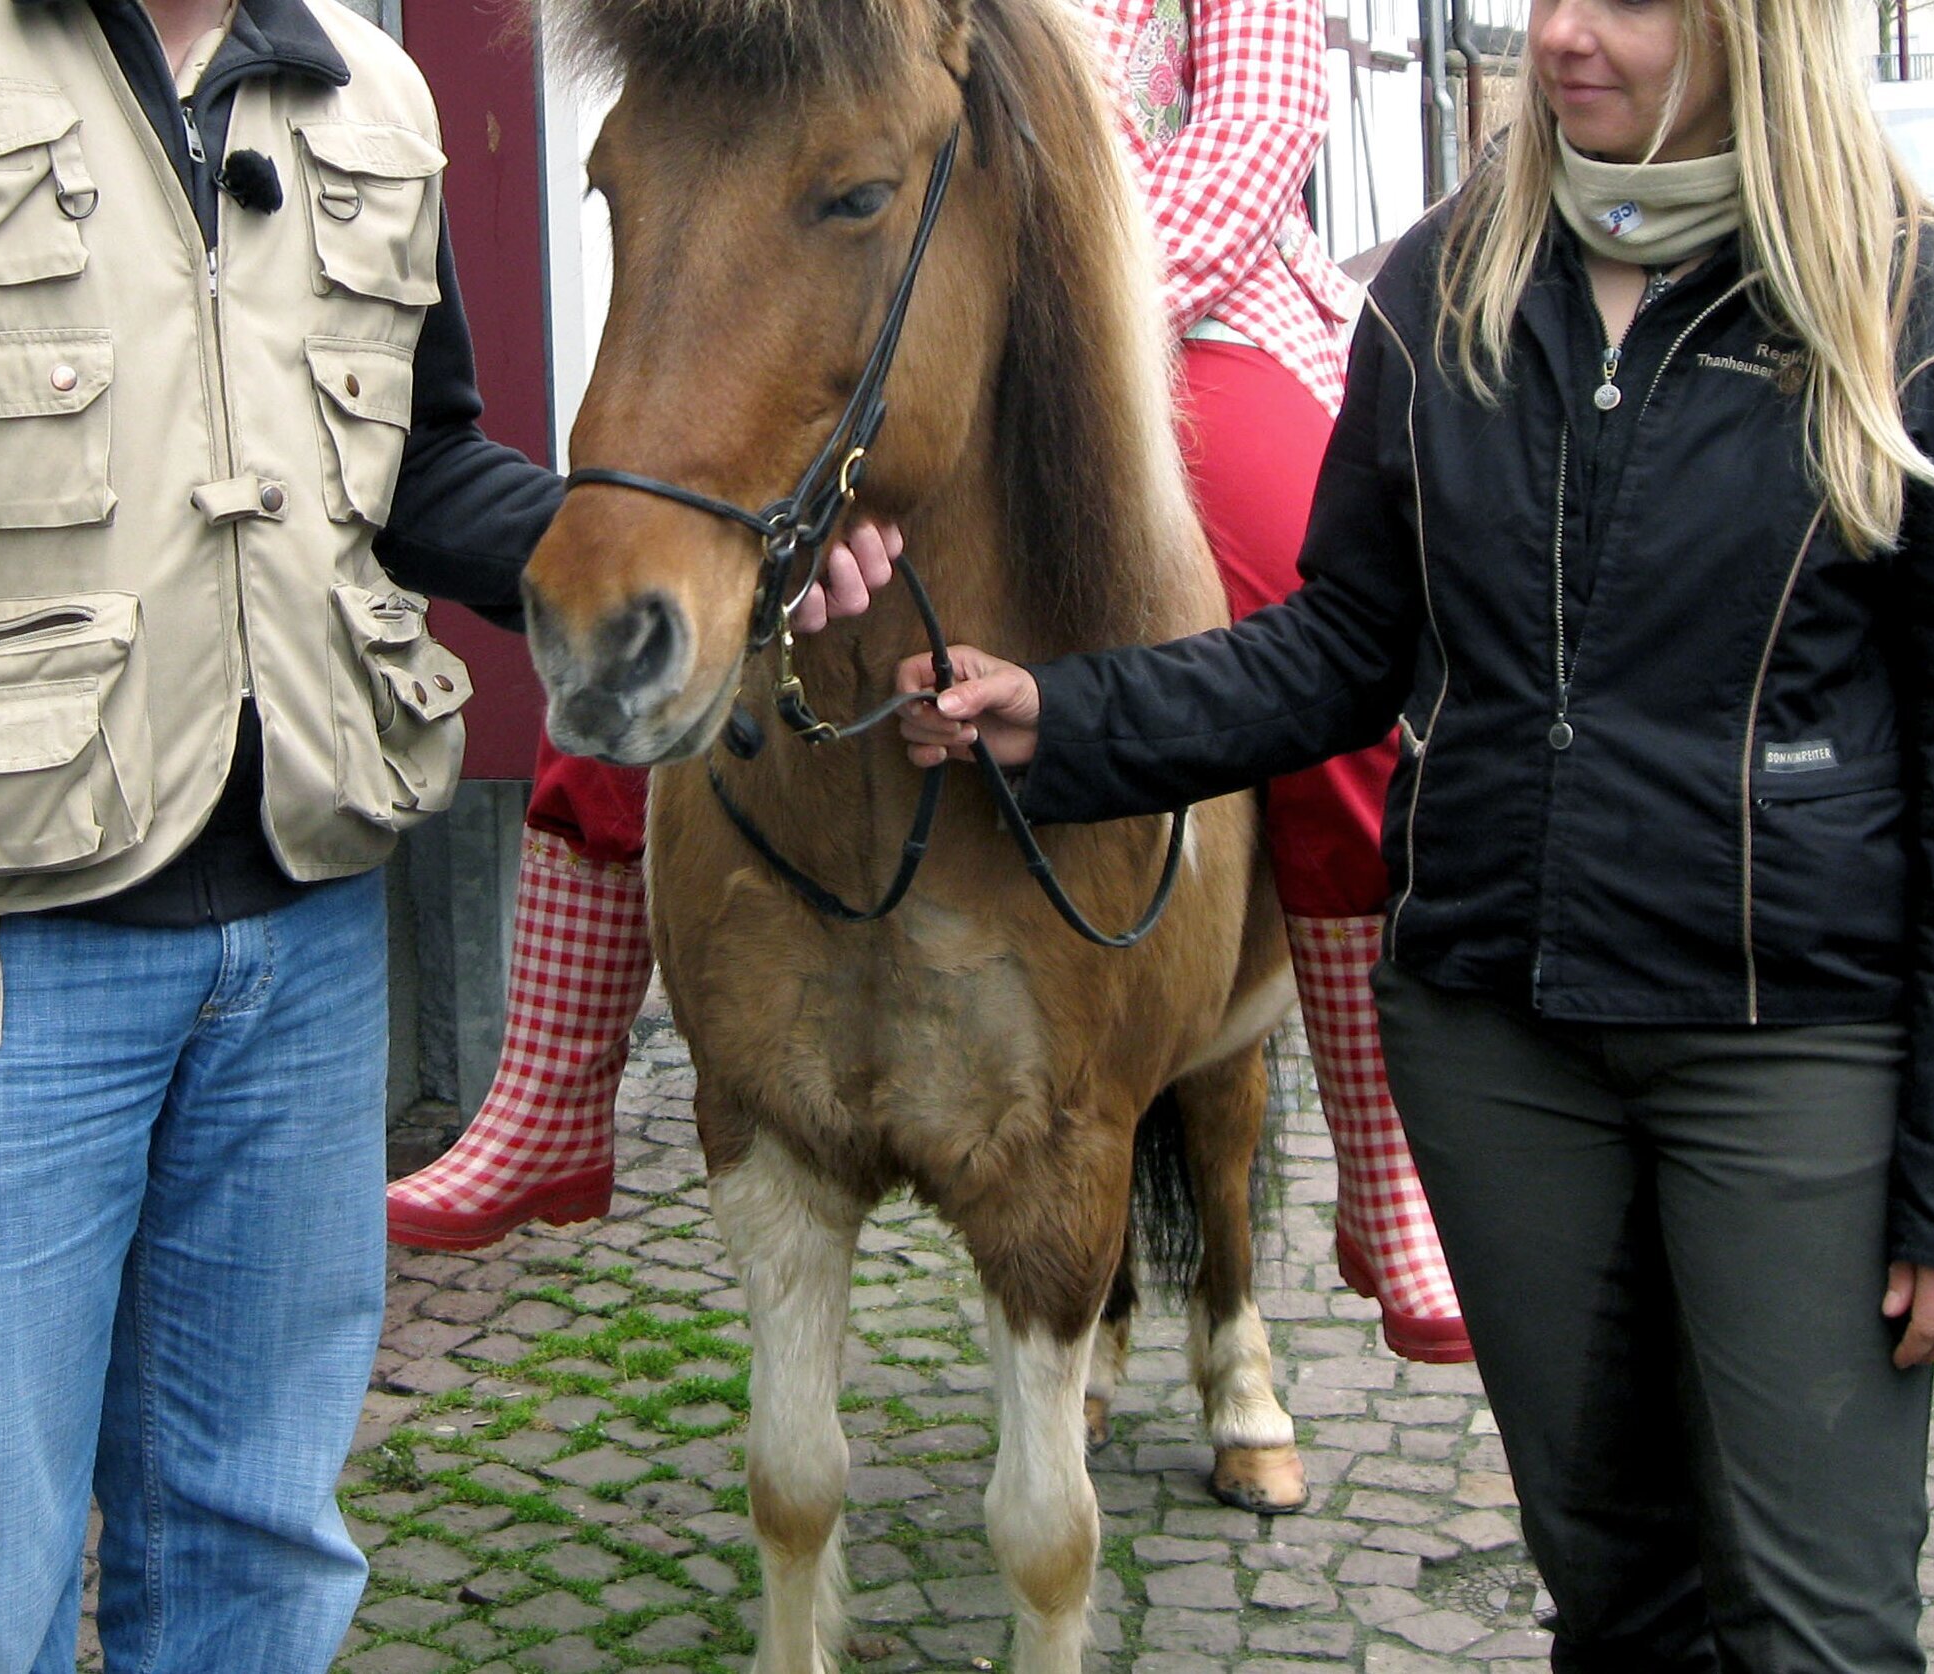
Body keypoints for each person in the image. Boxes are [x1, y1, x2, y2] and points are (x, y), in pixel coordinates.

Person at [0, 0, 881, 1662]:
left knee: (256, 1542)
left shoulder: (371, 94)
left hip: (305, 957)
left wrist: (683, 546)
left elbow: (417, 460)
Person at [891, 0, 1934, 1656]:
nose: (1566, 36)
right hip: (1502, 1043)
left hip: (1789, 1049)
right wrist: (1069, 716)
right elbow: (1343, 644)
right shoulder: (1445, 281)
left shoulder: (1928, 318)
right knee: (1608, 1580)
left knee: (1816, 1613)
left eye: (1632, 3)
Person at [383, 0, 1474, 1364]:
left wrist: (1079, 296)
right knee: (658, 559)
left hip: (1171, 315)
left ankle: (1385, 1156)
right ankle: (550, 1077)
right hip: (892, 300)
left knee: (1287, 553)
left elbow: (1252, 136)